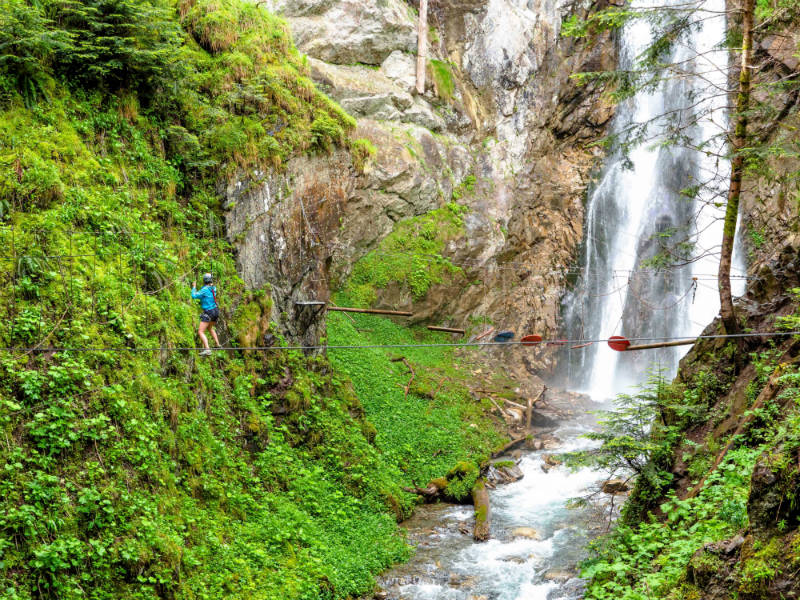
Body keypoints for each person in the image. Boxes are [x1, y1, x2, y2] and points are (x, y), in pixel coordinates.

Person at [191, 273, 220, 356]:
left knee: (200, 331)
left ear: (204, 281)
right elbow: (205, 294)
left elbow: (194, 296)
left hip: (209, 312)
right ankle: (217, 344)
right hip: (216, 311)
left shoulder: (204, 290)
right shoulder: (213, 288)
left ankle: (207, 349)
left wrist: (194, 287)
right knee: (210, 328)